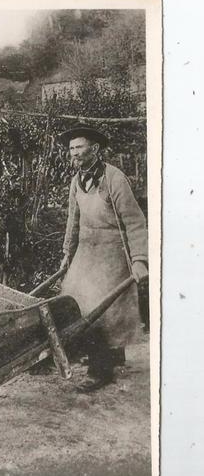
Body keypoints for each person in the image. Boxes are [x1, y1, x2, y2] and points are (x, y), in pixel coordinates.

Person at [58, 126, 148, 391]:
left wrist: (140, 260)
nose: (74, 153)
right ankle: (108, 356)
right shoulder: (77, 180)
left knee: (99, 311)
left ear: (94, 149)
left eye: (79, 148)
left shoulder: (114, 179)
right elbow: (72, 221)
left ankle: (100, 371)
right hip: (86, 252)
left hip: (111, 254)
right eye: (71, 149)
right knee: (72, 302)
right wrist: (66, 254)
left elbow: (134, 222)